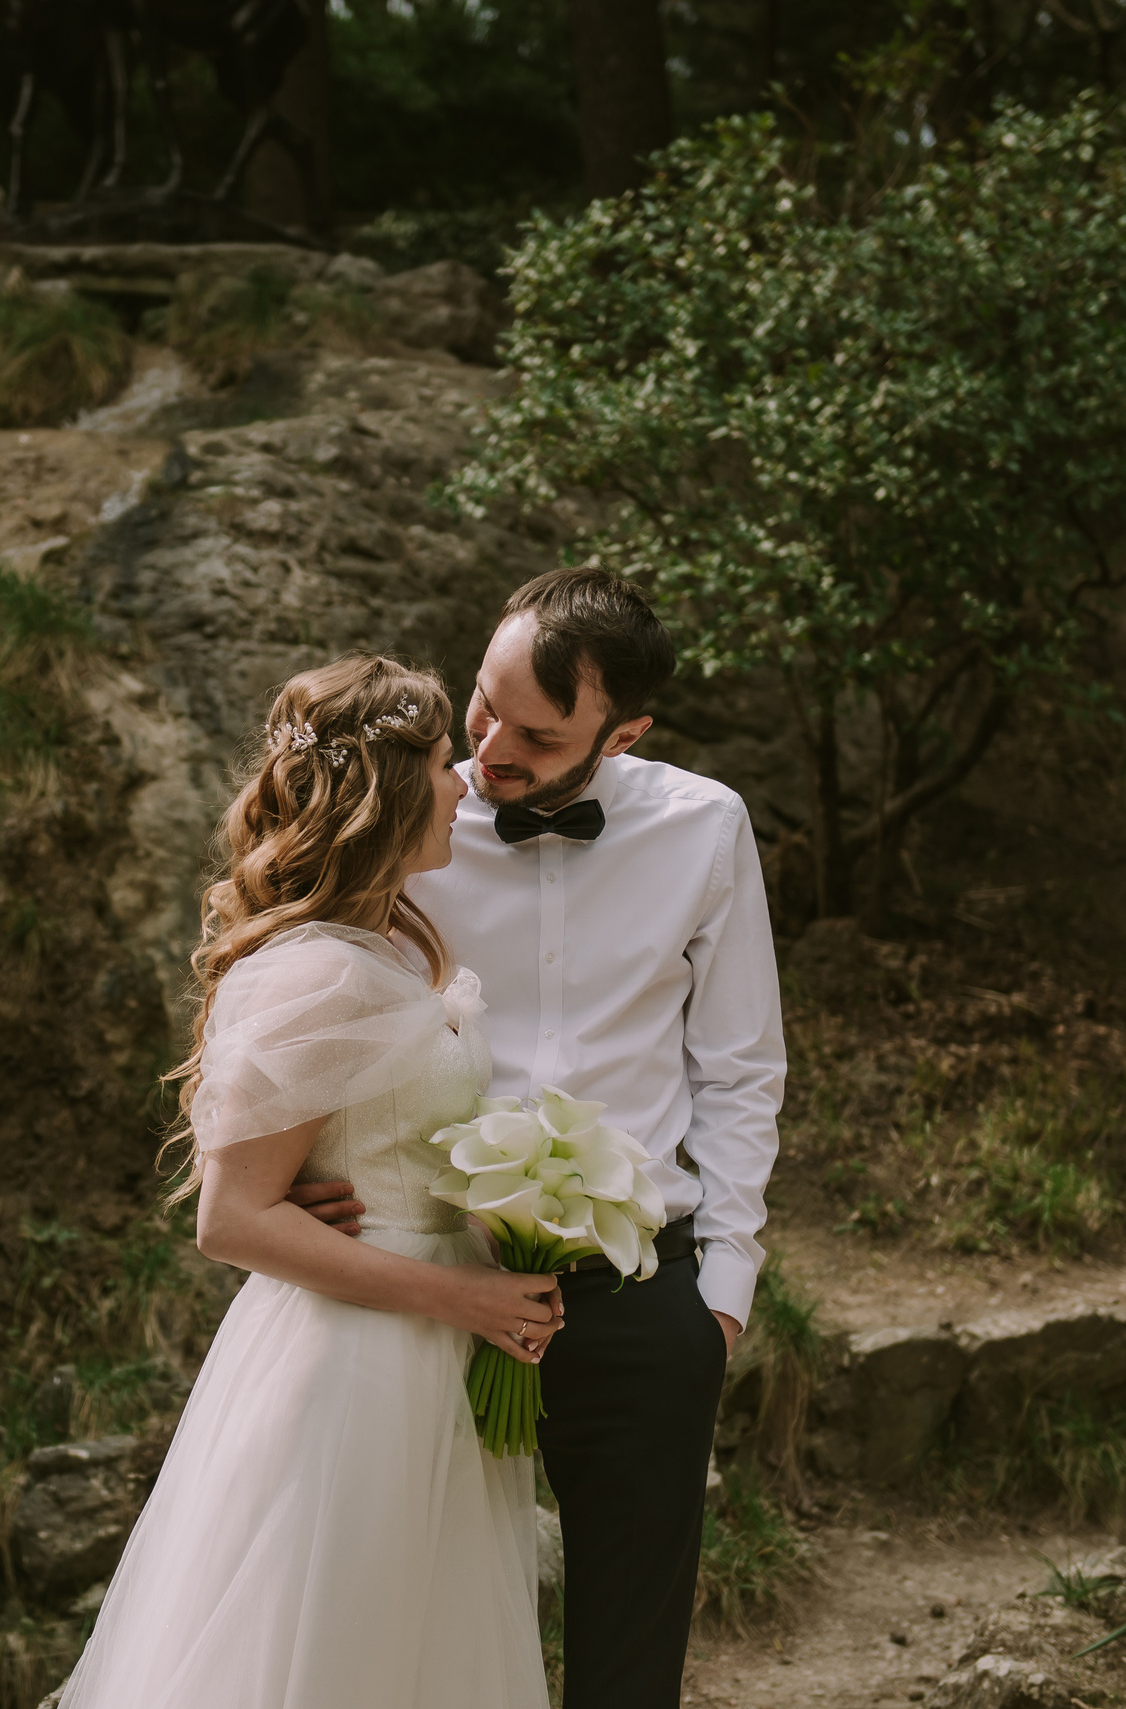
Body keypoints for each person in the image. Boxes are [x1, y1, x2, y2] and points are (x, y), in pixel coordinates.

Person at [320, 566, 788, 1707]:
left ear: (621, 731)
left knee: (628, 1654)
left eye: (535, 730)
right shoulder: (411, 813)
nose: (487, 749)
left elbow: (738, 1067)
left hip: (639, 1291)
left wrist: (722, 1287)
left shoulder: (705, 827)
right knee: (395, 1620)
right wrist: (308, 1177)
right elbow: (301, 988)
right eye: (482, 702)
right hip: (429, 1276)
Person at [55, 654, 559, 1709]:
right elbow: (231, 1217)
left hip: (426, 1354)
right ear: (387, 789)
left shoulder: (384, 944)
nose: (463, 776)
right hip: (354, 1367)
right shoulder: (318, 967)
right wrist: (461, 1292)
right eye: (439, 760)